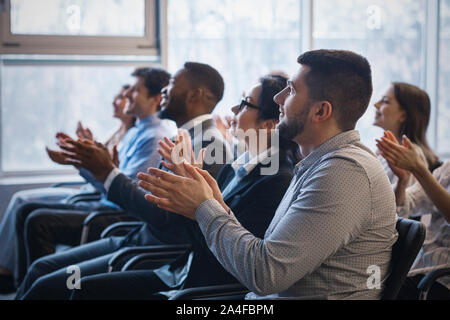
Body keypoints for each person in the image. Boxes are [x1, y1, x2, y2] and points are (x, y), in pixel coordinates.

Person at [143, 49, 399, 300]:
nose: (278, 98)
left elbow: (265, 274)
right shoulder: (320, 164)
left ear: (321, 111)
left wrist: (204, 206)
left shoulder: (344, 172)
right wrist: (208, 201)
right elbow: (262, 255)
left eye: (292, 90)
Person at [16, 62, 233, 299]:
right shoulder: (189, 137)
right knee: (42, 269)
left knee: (52, 282)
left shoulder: (209, 146)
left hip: (152, 254)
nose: (164, 92)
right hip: (134, 238)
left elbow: (163, 215)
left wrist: (108, 172)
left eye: (171, 84)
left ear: (195, 95)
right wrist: (105, 170)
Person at [2, 67, 174, 291]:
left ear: (155, 98)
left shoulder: (155, 137)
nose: (126, 96)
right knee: (28, 211)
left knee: (35, 220)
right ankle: (24, 285)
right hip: (107, 204)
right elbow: (114, 178)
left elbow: (125, 193)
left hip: (117, 214)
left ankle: (28, 286)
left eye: (135, 90)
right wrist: (85, 160)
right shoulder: (137, 131)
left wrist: (86, 162)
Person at [0, 83, 132, 293]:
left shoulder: (144, 136)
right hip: (96, 195)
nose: (117, 101)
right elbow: (107, 174)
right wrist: (82, 151)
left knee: (30, 212)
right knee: (23, 205)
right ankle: (15, 277)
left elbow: (117, 185)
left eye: (126, 96)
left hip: (106, 205)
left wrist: (78, 159)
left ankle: (20, 280)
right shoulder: (121, 133)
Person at [376, 131, 450, 300]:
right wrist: (402, 180)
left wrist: (419, 169)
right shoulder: (447, 170)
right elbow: (405, 206)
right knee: (362, 282)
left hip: (440, 280)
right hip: (414, 269)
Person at [373, 82, 440, 188]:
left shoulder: (411, 156)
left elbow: (406, 203)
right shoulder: (382, 151)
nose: (376, 105)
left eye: (385, 101)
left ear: (403, 115)